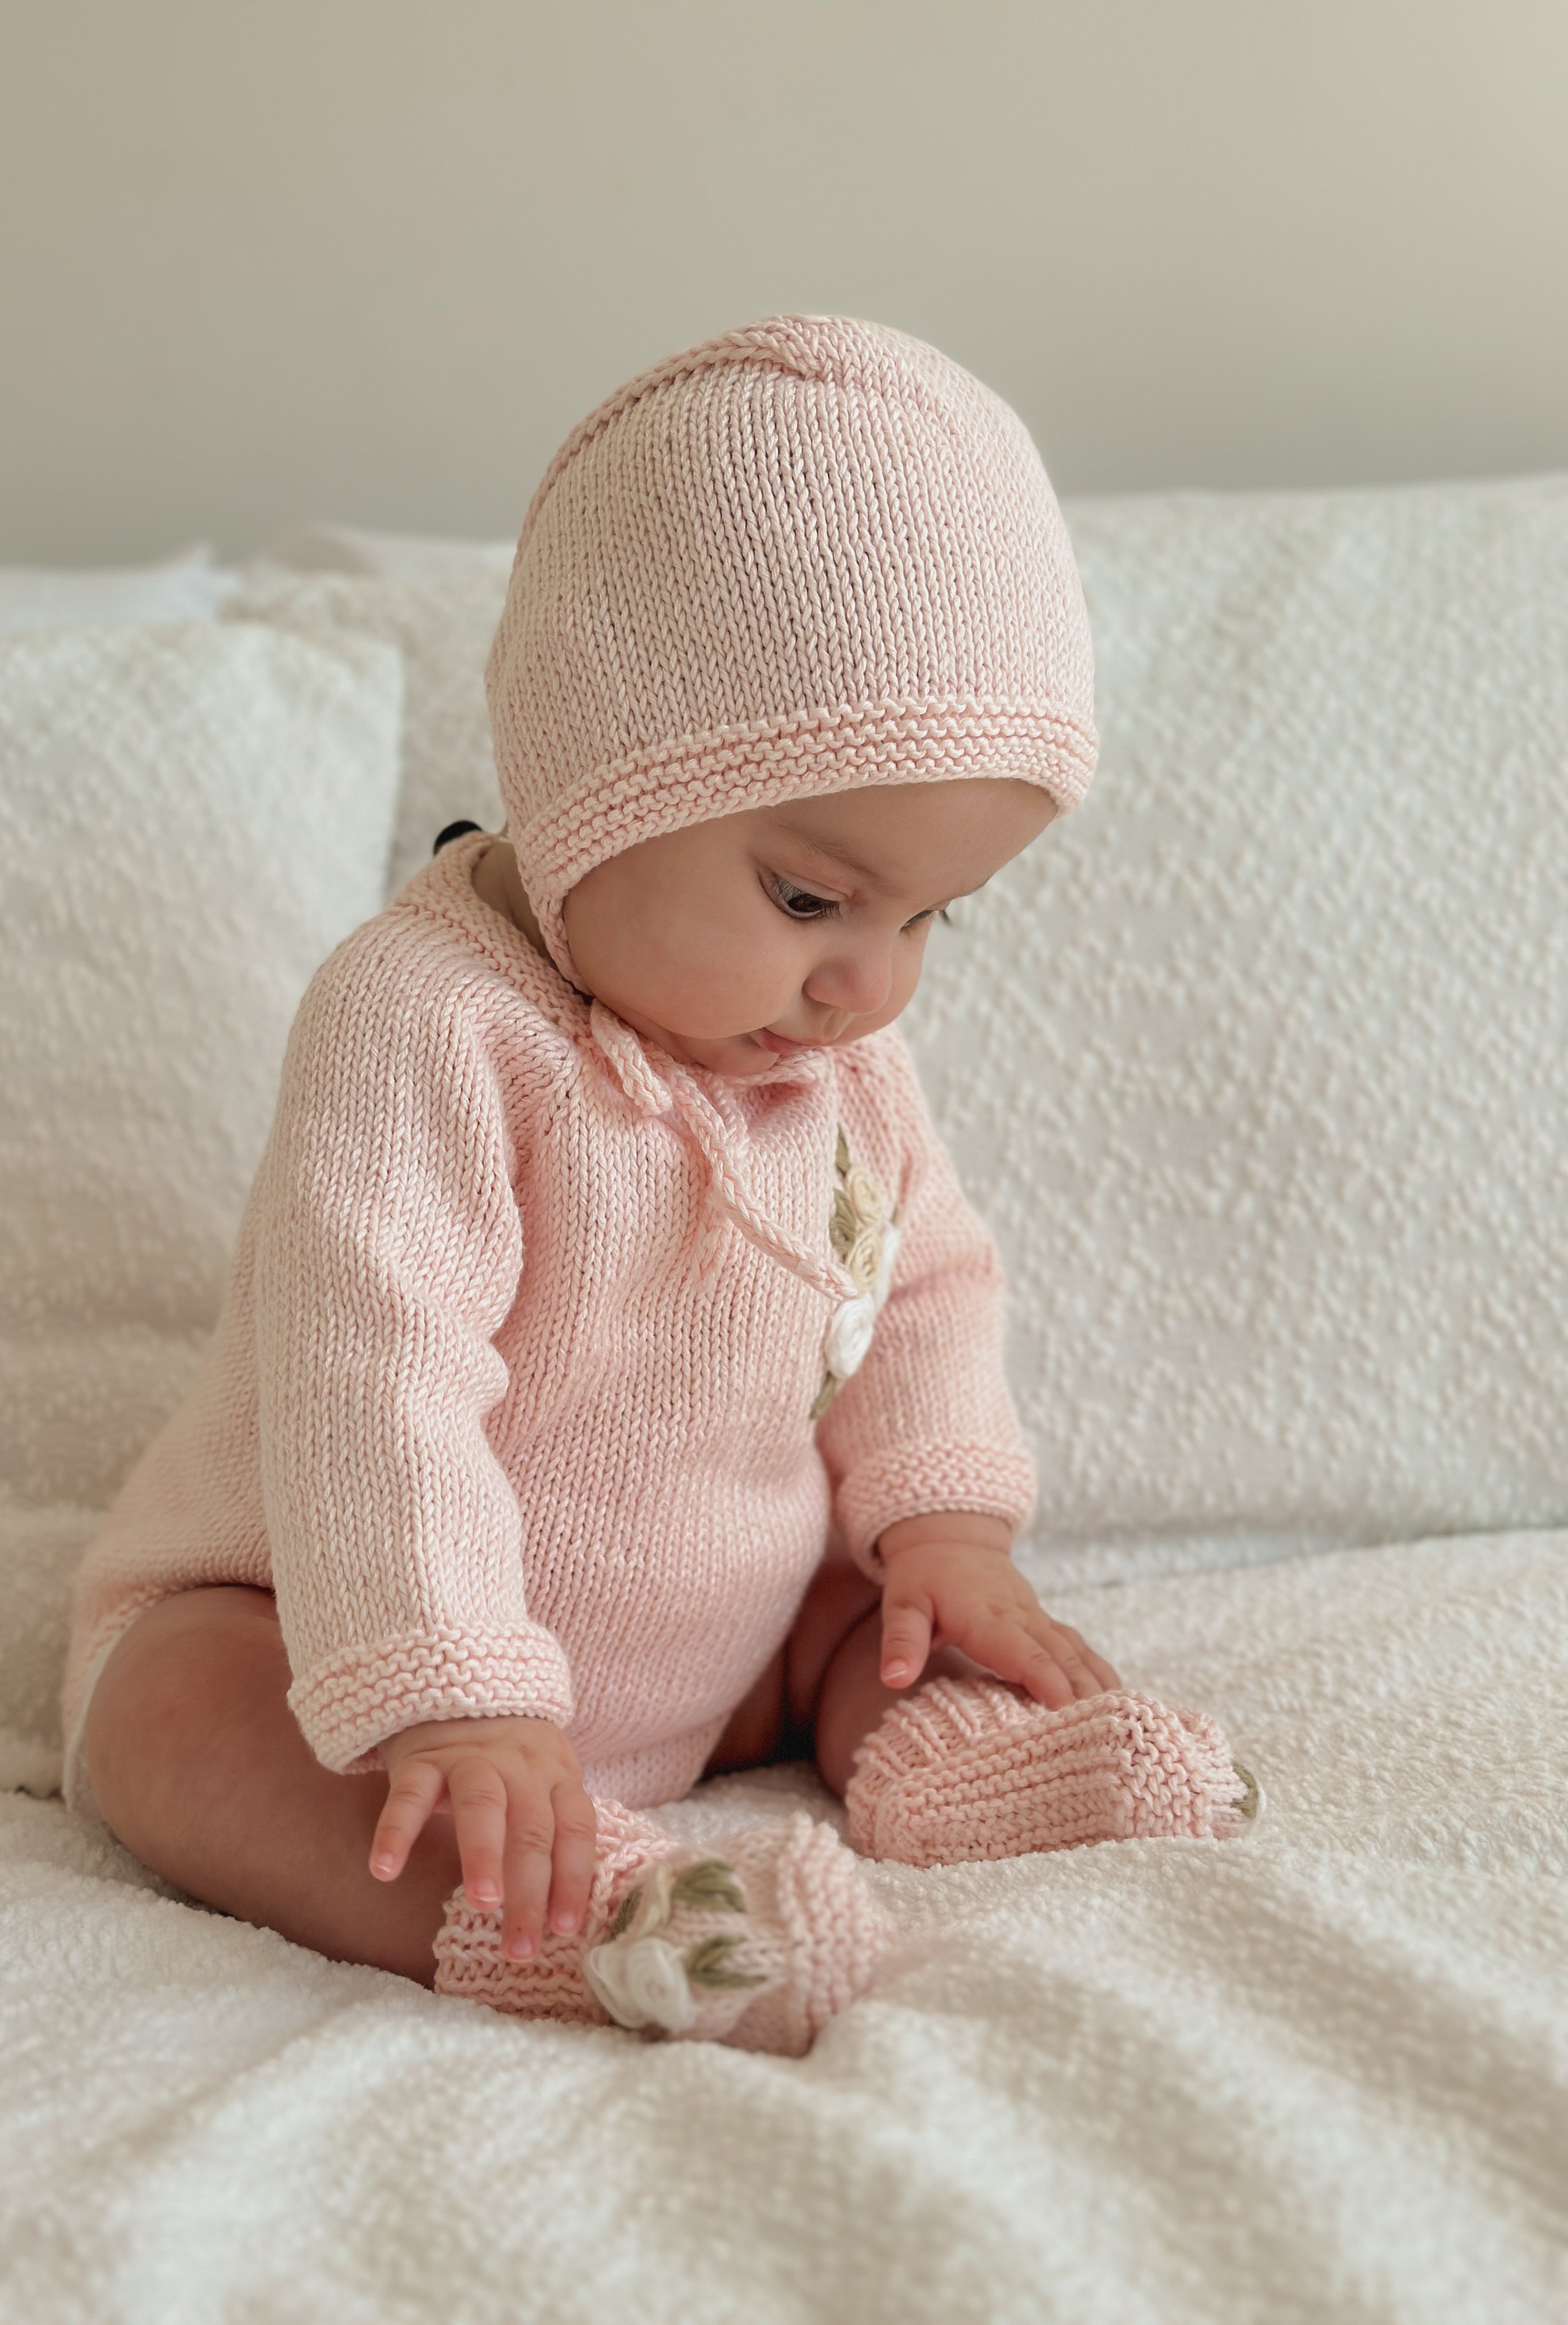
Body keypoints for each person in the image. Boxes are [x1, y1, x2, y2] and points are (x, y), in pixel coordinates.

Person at [65, 316, 1253, 2058]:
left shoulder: (830, 1058)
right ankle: (604, 1923)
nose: (873, 982)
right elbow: (371, 1373)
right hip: (351, 1647)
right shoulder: (434, 1023)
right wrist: (451, 1689)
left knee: (875, 1610)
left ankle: (941, 1761)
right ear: (602, 781)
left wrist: (943, 1530)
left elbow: (921, 1286)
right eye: (809, 899)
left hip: (716, 1651)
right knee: (184, 1718)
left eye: (931, 917)